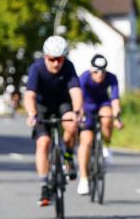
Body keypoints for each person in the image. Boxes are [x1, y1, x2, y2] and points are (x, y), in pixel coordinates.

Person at [24, 35, 84, 206]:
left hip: (62, 103)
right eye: (52, 59)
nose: (56, 63)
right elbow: (29, 95)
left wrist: (77, 111)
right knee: (43, 143)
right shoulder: (37, 68)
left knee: (72, 124)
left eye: (60, 59)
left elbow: (76, 91)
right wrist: (31, 113)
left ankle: (67, 156)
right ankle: (44, 185)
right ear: (45, 57)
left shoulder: (68, 67)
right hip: (42, 106)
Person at [77, 54, 123, 195]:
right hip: (87, 107)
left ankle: (106, 146)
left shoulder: (111, 77)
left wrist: (116, 116)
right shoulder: (84, 78)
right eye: (97, 71)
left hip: (103, 104)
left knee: (107, 116)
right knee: (86, 141)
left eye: (103, 71)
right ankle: (84, 179)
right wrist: (80, 115)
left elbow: (115, 99)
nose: (100, 74)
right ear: (91, 70)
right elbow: (78, 99)